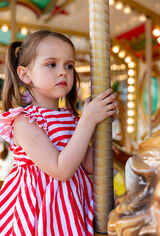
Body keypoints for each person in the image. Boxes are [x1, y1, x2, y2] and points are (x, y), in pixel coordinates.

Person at [0, 30, 118, 236]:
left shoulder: (71, 117)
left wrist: (101, 126)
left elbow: (89, 165)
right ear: (25, 74)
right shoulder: (24, 121)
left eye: (69, 65)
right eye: (51, 64)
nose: (63, 71)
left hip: (72, 207)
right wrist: (88, 121)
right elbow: (60, 170)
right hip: (43, 212)